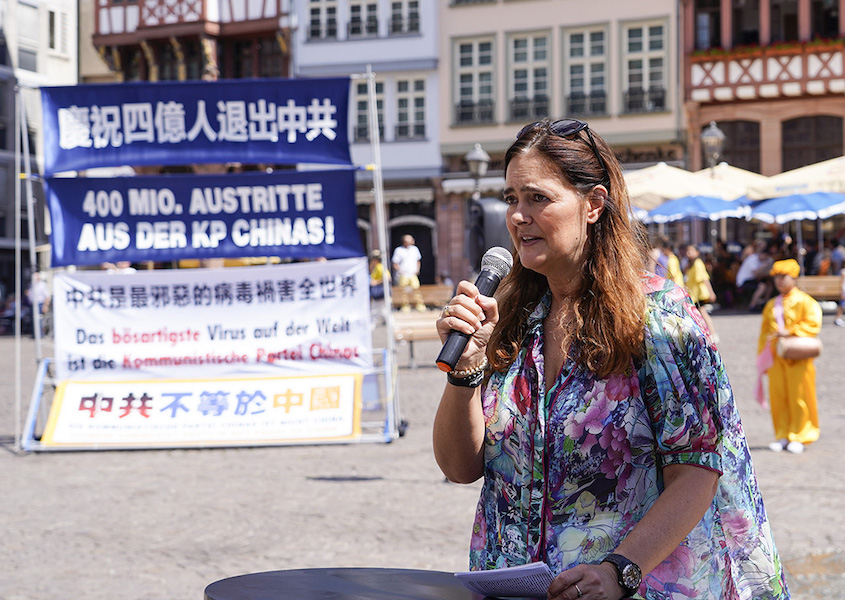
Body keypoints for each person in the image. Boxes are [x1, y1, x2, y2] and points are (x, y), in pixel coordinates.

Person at [433, 118, 787, 600]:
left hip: (635, 585)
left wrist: (620, 571)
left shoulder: (659, 318)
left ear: (594, 204)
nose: (517, 215)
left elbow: (698, 473)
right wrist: (466, 370)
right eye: (511, 198)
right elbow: (459, 467)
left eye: (538, 197)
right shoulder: (514, 319)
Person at [757, 259, 822, 454]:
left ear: (793, 278)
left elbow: (813, 324)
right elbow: (764, 334)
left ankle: (801, 435)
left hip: (798, 357)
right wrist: (763, 359)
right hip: (777, 357)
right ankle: (783, 434)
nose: (779, 281)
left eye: (783, 277)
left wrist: (792, 331)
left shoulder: (805, 301)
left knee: (800, 396)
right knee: (779, 397)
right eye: (777, 277)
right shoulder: (771, 305)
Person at [683, 244, 719, 343]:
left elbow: (704, 279)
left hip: (699, 293)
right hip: (693, 294)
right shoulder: (690, 264)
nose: (688, 253)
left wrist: (711, 292)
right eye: (687, 251)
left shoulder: (698, 263)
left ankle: (712, 333)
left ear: (697, 253)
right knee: (698, 314)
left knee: (703, 313)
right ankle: (705, 334)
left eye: (690, 251)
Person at [391, 234, 425, 312]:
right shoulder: (399, 250)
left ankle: (419, 305)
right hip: (403, 275)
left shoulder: (415, 249)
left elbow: (418, 260)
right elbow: (395, 263)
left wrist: (417, 269)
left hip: (412, 274)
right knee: (403, 291)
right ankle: (405, 306)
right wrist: (400, 271)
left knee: (416, 289)